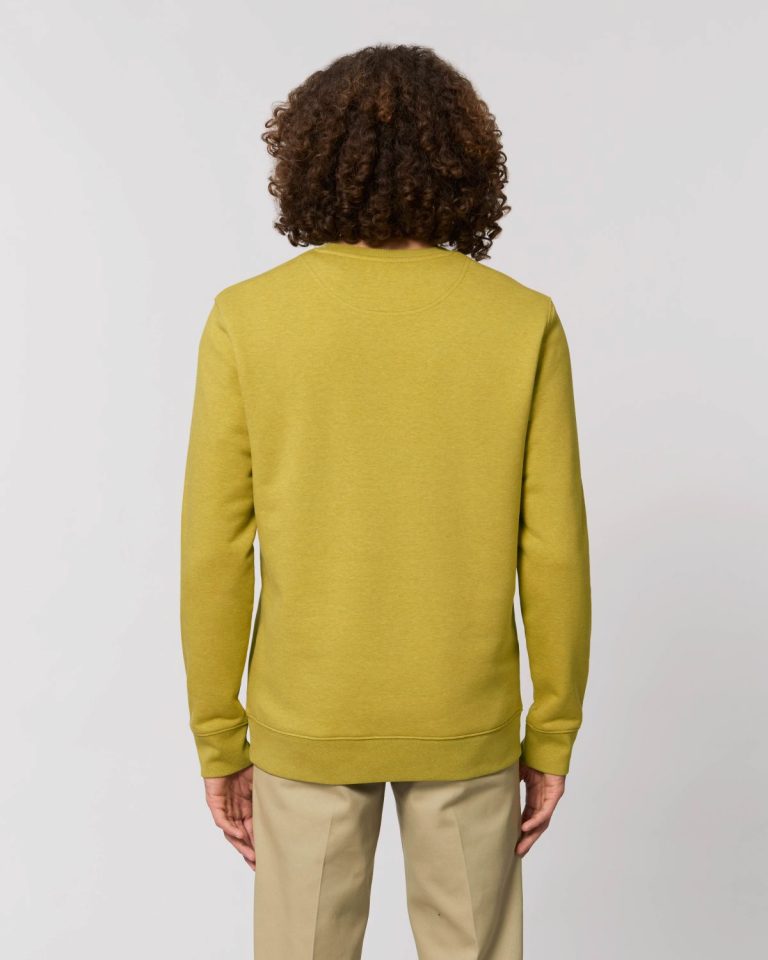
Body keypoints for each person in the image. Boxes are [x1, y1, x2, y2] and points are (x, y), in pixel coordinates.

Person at [180, 42, 591, 960]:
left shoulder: (247, 319)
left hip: (308, 717)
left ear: (309, 160)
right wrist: (552, 733)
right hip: (466, 715)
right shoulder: (521, 320)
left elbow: (215, 549)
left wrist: (219, 738)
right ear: (465, 164)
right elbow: (555, 548)